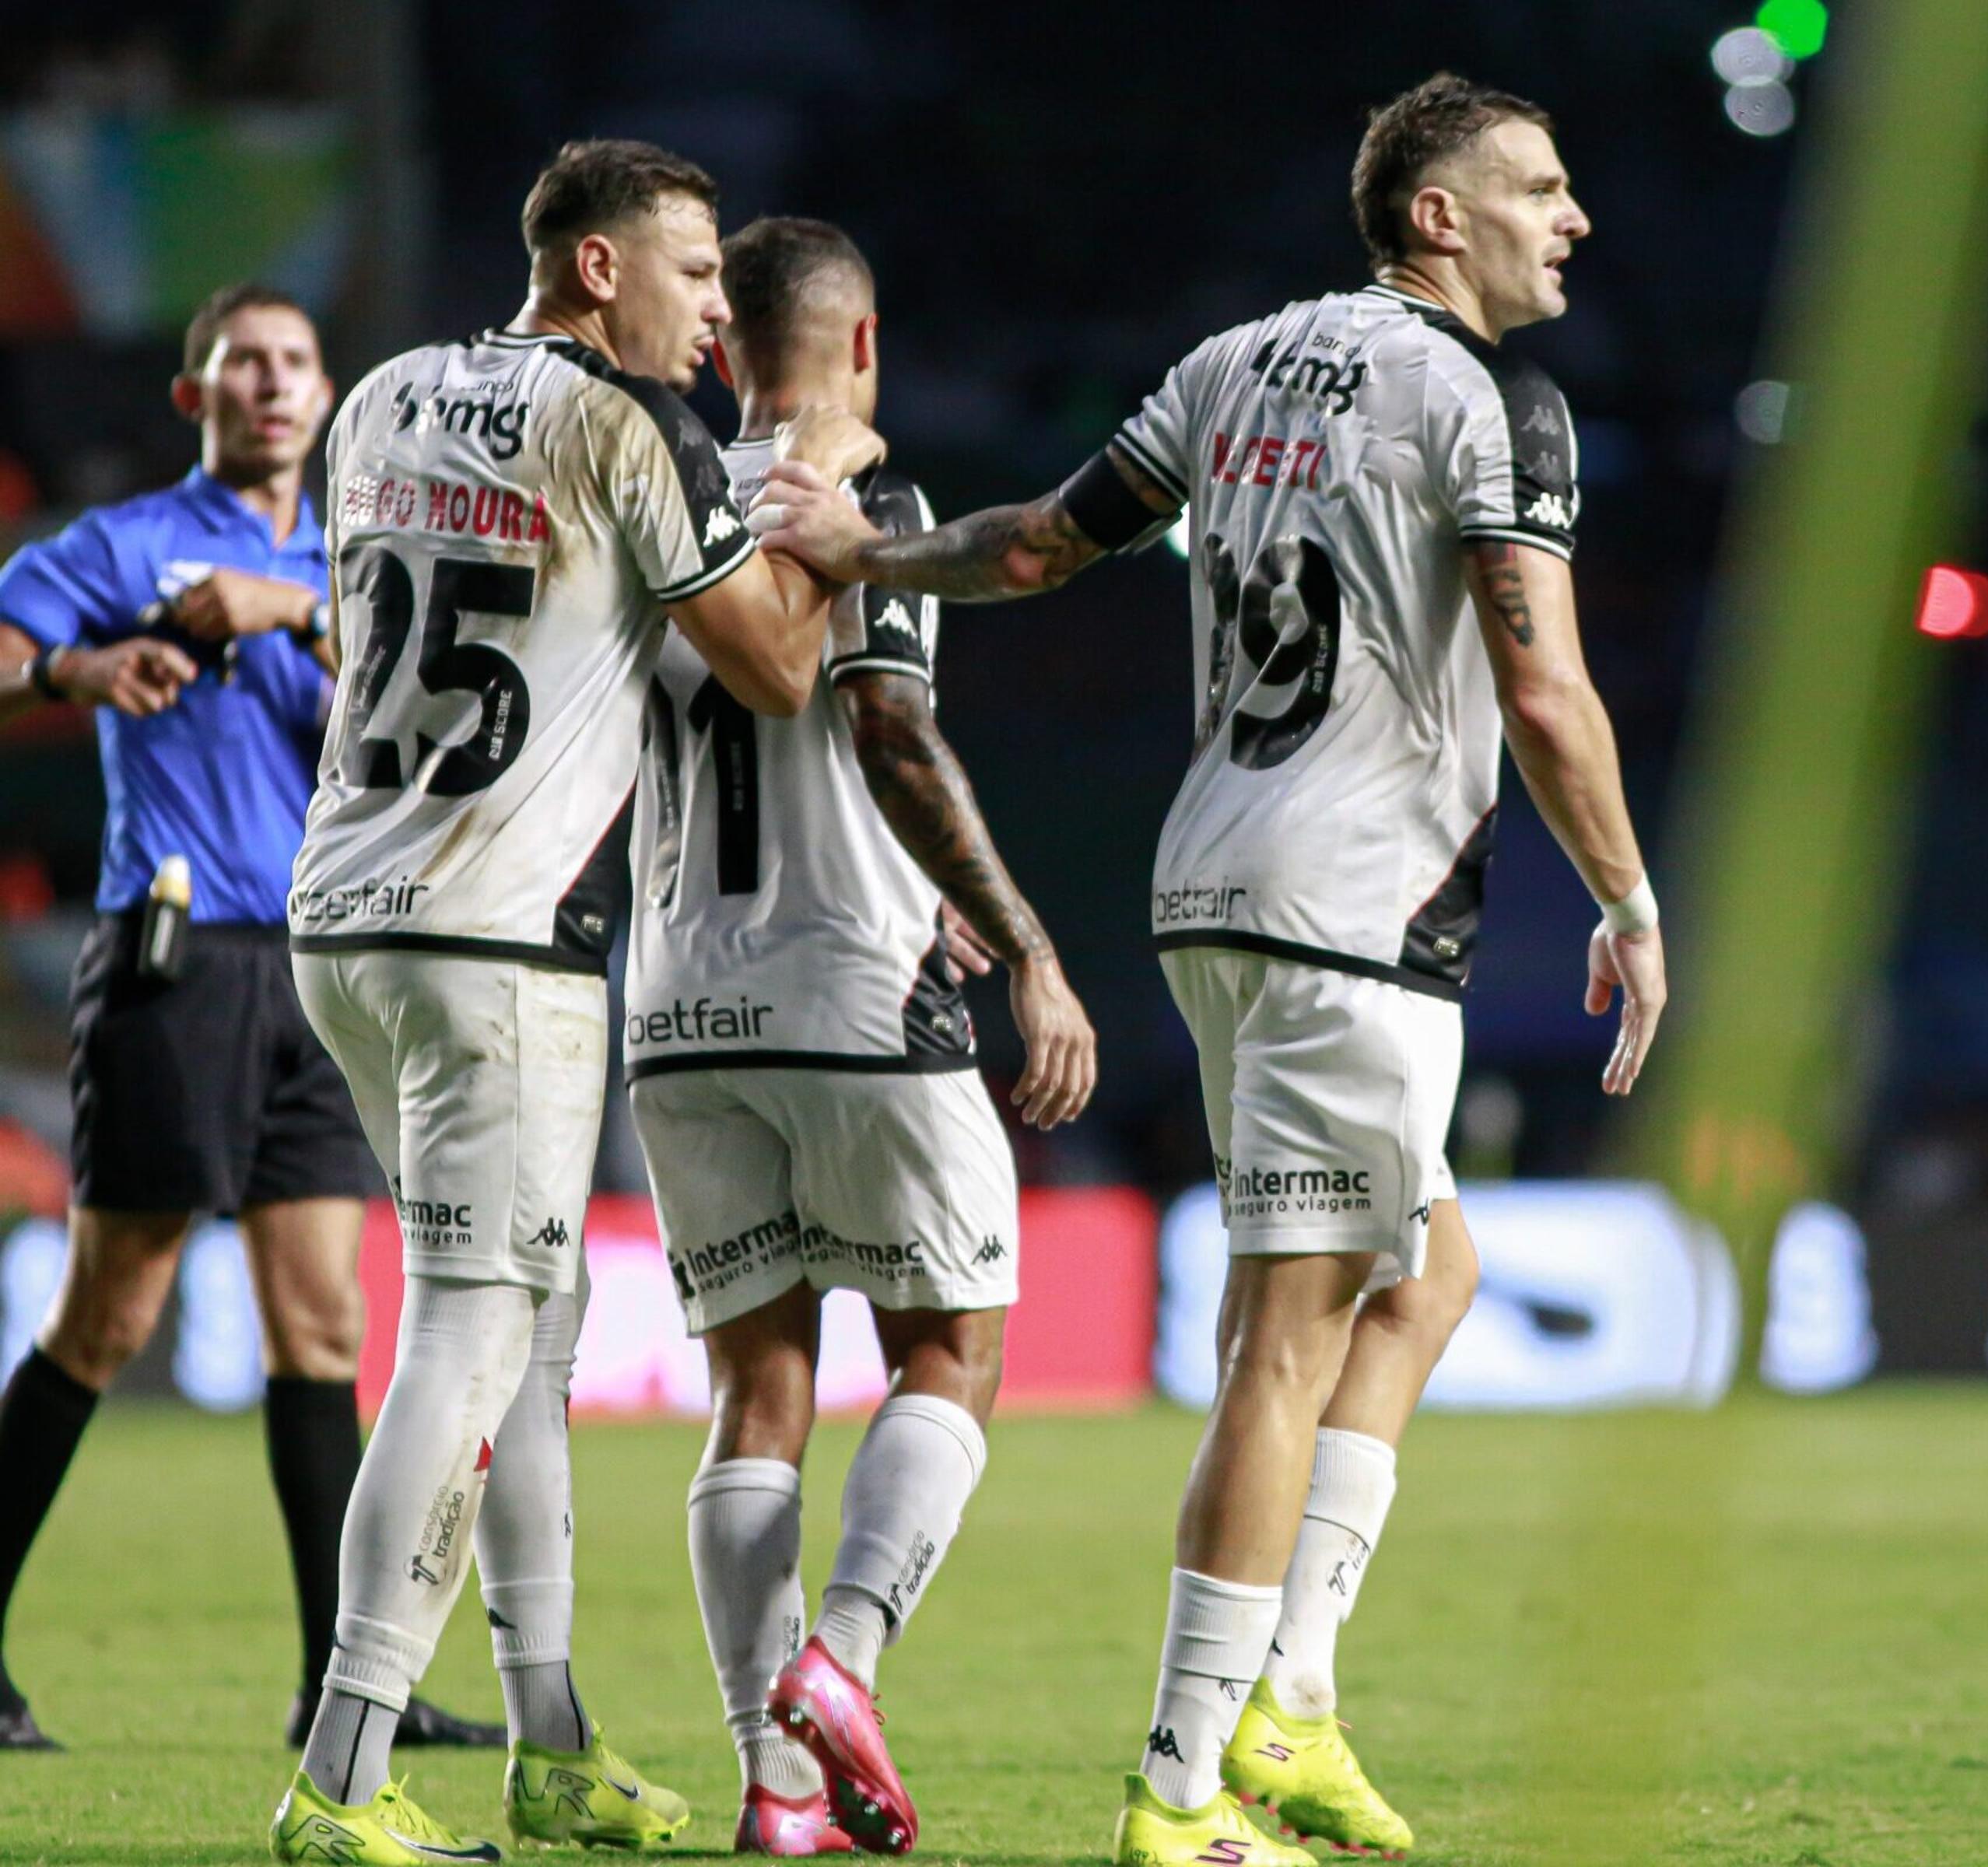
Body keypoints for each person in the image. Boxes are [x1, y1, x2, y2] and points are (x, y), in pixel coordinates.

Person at [752, 72, 1667, 1867]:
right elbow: (1543, 682)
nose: (1569, 220)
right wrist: (1629, 903)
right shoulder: (1490, 400)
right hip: (1351, 908)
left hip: (1216, 877)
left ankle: (1296, 1698)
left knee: (1430, 1268)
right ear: (1434, 216)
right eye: (1538, 190)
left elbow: (1031, 545)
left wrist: (873, 553)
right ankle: (1183, 1784)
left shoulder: (1226, 363)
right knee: (1285, 1337)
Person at [268, 139, 871, 1865]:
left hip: (347, 915)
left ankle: (549, 1741)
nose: (715, 313)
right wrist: (817, 474)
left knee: (524, 1332)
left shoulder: (379, 397)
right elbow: (772, 665)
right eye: (693, 275)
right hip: (494, 944)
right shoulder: (627, 427)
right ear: (598, 270)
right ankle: (343, 1768)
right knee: (468, 1327)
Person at [639, 215, 1097, 1858]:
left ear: (721, 342)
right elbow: (888, 728)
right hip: (856, 993)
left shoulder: (656, 500)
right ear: (868, 346)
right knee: (951, 1353)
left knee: (755, 1394)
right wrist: (1030, 943)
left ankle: (771, 1800)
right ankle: (843, 1663)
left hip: (678, 1004)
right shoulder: (864, 509)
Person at [0, 285, 501, 1757]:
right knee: (112, 1314)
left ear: (328, 391)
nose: (273, 386)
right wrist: (73, 669)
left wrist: (297, 612)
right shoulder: (124, 547)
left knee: (322, 1323)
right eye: (243, 365)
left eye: (294, 364)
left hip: (327, 970)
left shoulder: (361, 556)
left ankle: (348, 1689)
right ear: (193, 397)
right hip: (178, 959)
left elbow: (441, 695)